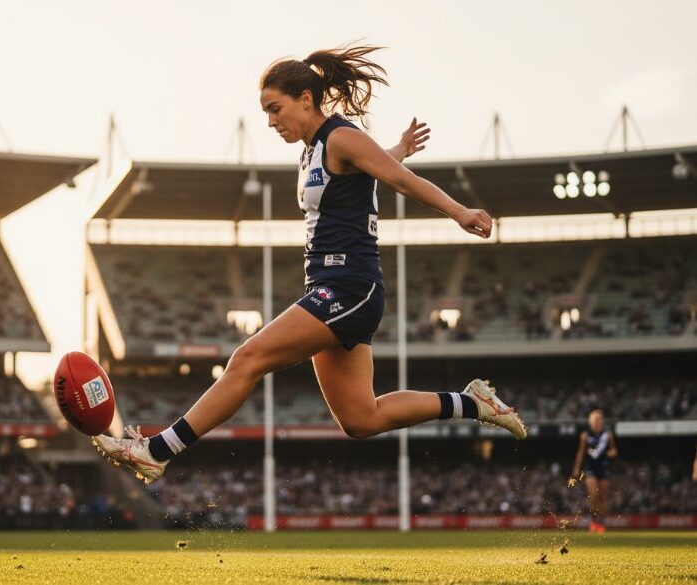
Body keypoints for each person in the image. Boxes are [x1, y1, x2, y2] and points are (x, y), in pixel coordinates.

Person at [93, 45, 526, 484]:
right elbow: (368, 169)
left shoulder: (340, 136)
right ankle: (473, 403)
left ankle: (157, 449)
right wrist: (395, 148)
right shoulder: (314, 149)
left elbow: (400, 180)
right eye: (265, 112)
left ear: (305, 98)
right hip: (331, 287)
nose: (270, 121)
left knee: (247, 359)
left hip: (349, 287)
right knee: (361, 419)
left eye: (275, 108)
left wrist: (459, 212)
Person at [571, 409, 618, 533]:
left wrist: (610, 453)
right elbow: (581, 452)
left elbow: (613, 451)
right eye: (594, 419)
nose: (597, 422)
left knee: (602, 497)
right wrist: (576, 468)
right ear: (590, 421)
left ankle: (601, 523)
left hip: (603, 468)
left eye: (599, 419)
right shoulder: (585, 435)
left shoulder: (608, 435)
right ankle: (594, 521)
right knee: (593, 495)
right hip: (590, 468)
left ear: (602, 421)